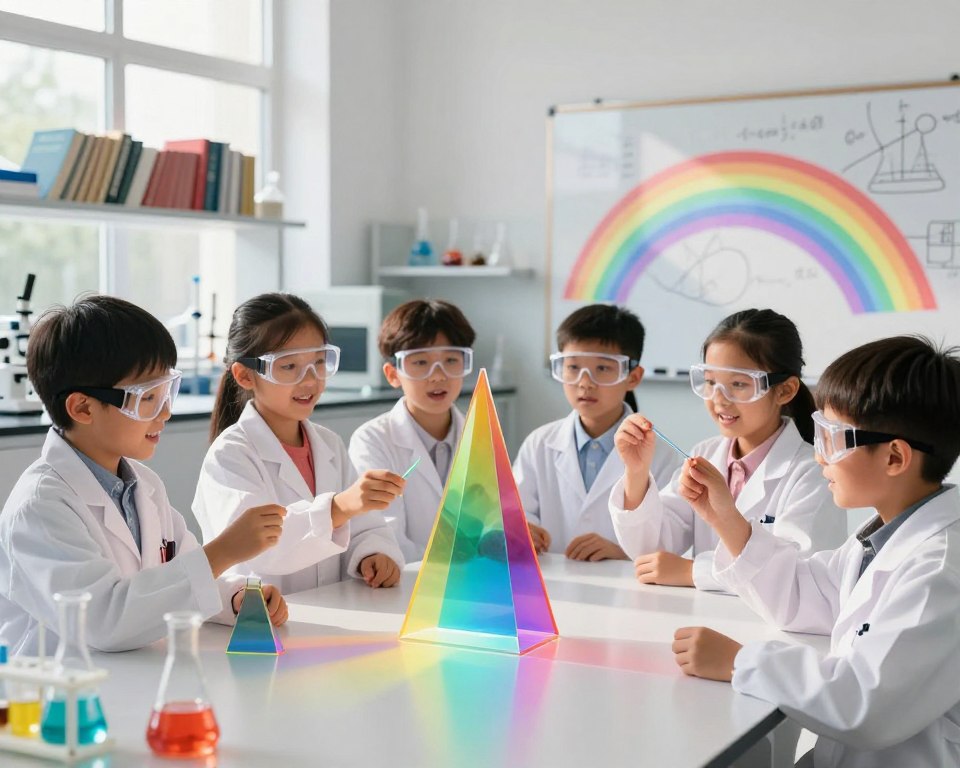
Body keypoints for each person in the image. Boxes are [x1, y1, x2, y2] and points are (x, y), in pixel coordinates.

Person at [672, 336, 960, 767]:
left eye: (831, 438)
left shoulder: (939, 572)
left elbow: (866, 706)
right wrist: (725, 519)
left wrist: (740, 662)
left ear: (895, 457)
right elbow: (804, 593)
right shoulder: (883, 537)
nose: (820, 456)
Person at [0, 296, 288, 655]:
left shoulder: (144, 485)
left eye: (167, 390)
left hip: (133, 679)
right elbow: (106, 620)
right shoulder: (40, 507)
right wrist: (225, 550)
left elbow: (180, 573)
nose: (165, 412)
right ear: (83, 407)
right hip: (58, 697)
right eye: (147, 398)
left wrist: (235, 596)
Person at [610, 308, 844, 589]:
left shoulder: (813, 472)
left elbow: (796, 576)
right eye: (710, 382)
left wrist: (696, 573)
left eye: (738, 384)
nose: (719, 399)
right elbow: (649, 550)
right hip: (706, 618)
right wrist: (636, 472)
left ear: (784, 390)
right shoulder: (706, 454)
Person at [194, 293, 404, 594]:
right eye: (289, 366)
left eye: (319, 362)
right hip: (260, 625)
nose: (310, 380)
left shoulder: (328, 444)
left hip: (331, 614)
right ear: (244, 375)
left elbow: (364, 527)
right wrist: (339, 506)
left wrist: (373, 554)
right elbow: (262, 546)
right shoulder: (231, 455)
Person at [514, 304, 680, 561]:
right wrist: (522, 531)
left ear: (633, 377)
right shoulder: (539, 444)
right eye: (572, 367)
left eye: (602, 368)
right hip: (551, 587)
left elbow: (670, 540)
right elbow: (517, 514)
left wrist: (623, 552)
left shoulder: (662, 455)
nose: (585, 382)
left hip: (627, 592)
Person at [349, 299, 476, 562]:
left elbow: (492, 523)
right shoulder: (372, 440)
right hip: (404, 587)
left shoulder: (479, 435)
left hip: (473, 584)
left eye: (451, 360)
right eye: (420, 362)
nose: (438, 375)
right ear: (393, 374)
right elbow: (384, 533)